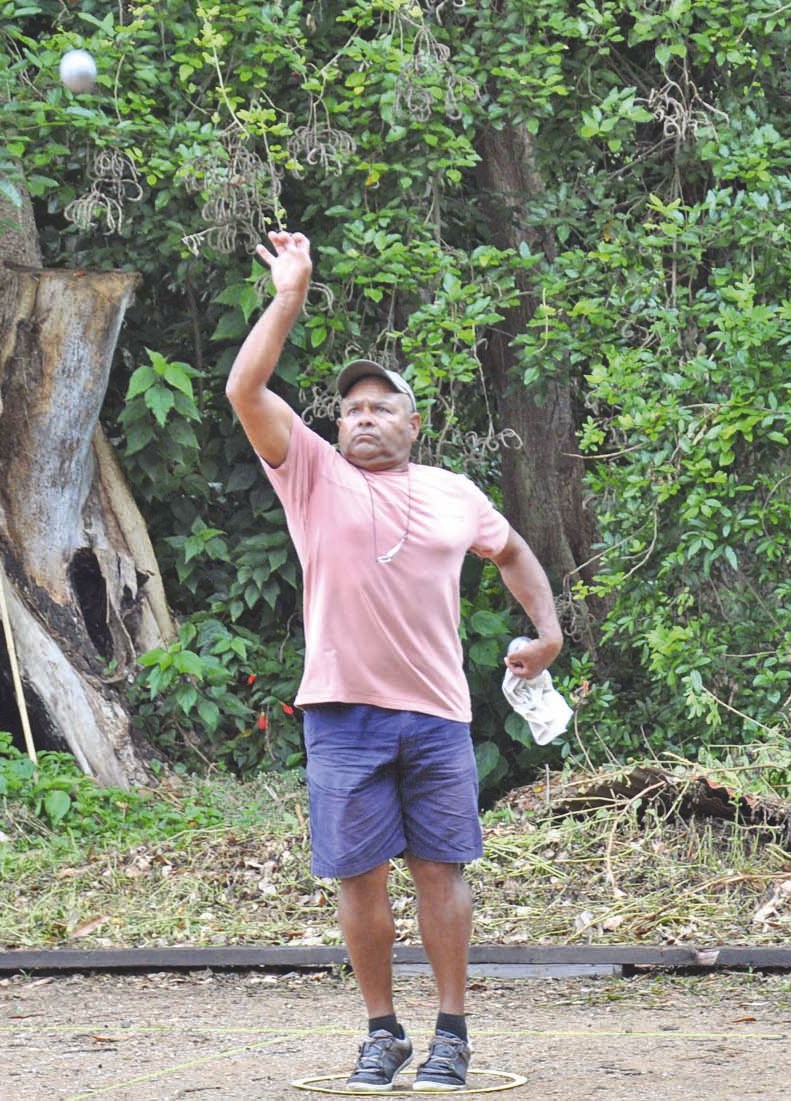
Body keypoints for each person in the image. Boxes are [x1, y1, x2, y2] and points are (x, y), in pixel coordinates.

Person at [226, 230, 563, 1092]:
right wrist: (289, 297)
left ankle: (452, 1033)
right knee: (358, 874)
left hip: (438, 712)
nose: (364, 416)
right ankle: (383, 1031)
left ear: (415, 423)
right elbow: (244, 387)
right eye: (352, 408)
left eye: (382, 407)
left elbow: (515, 552)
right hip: (341, 710)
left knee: (440, 869)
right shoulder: (308, 472)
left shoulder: (455, 492)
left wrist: (548, 632)